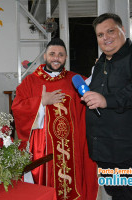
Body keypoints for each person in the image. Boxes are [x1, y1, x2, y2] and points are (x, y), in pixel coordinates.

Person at [12, 38, 98, 200]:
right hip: (43, 149)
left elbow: (92, 101)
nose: (56, 58)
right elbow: (17, 108)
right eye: (52, 54)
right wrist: (41, 103)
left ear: (66, 57)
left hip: (72, 148)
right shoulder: (30, 81)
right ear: (45, 56)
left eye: (60, 55)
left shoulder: (76, 80)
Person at [81, 13, 132, 199]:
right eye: (100, 35)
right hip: (103, 150)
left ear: (122, 30)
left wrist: (106, 100)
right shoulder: (101, 61)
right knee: (115, 192)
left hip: (125, 151)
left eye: (110, 31)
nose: (105, 38)